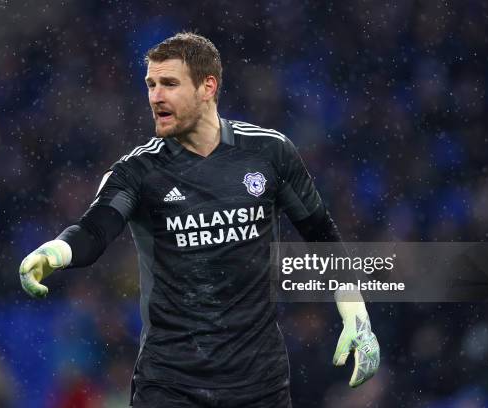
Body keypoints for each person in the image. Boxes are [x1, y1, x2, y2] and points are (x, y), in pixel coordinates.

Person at [19, 32, 380, 407]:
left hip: (259, 383)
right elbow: (95, 230)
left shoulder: (269, 153)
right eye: (151, 85)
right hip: (170, 385)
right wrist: (55, 251)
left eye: (169, 84)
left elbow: (320, 234)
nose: (156, 96)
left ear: (208, 87)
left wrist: (354, 310)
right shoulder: (137, 171)